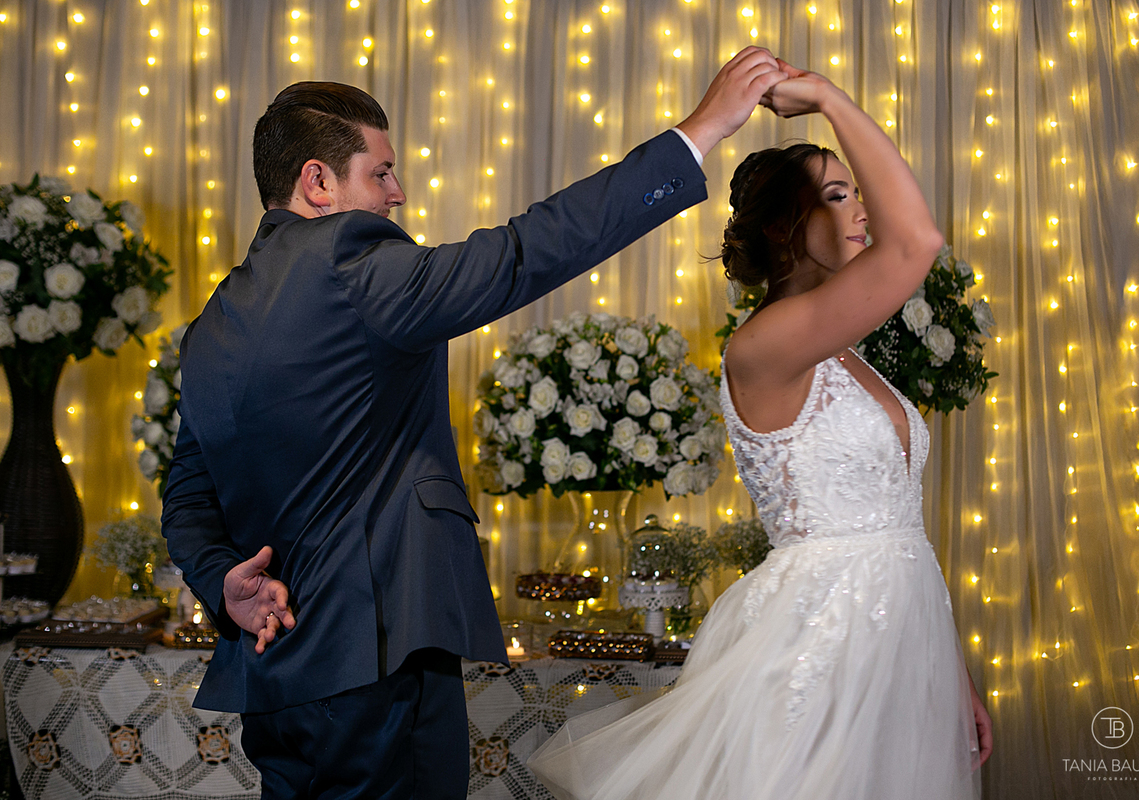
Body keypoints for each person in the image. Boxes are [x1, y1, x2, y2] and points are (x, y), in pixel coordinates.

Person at [161, 49, 790, 799]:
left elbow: (187, 495)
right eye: (381, 171)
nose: (398, 193)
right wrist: (700, 132)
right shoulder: (349, 261)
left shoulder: (210, 329)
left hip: (274, 675)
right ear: (318, 182)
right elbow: (522, 253)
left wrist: (221, 584)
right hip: (375, 656)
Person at [527, 64, 994, 799]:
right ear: (786, 226)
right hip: (818, 648)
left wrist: (948, 674)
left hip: (898, 653)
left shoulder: (844, 348)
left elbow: (898, 534)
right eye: (837, 197)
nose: (862, 211)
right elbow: (918, 241)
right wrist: (832, 99)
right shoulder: (764, 345)